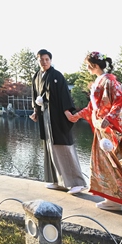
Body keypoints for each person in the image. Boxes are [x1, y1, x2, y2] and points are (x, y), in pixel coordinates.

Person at [67, 52, 122, 217]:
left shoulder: (109, 81)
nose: (87, 68)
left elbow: (118, 101)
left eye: (88, 65)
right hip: (103, 131)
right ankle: (114, 198)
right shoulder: (101, 81)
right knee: (106, 165)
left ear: (94, 65)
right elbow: (93, 107)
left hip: (112, 131)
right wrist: (77, 116)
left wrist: (110, 118)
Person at [29, 49, 87, 194]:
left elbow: (64, 95)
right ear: (37, 61)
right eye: (41, 59)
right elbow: (35, 95)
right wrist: (36, 111)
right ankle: (58, 181)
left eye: (47, 59)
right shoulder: (36, 76)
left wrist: (67, 111)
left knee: (63, 147)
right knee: (50, 147)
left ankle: (77, 182)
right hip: (45, 115)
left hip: (57, 116)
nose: (44, 62)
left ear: (50, 60)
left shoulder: (57, 76)